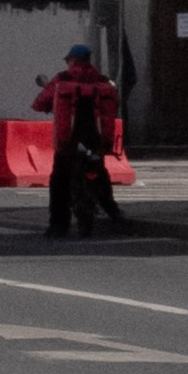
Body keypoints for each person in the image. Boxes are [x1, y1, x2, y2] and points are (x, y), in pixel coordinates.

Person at [37, 40, 129, 239]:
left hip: (68, 142)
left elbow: (40, 102)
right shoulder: (103, 81)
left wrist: (48, 105)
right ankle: (115, 214)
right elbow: (116, 102)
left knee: (59, 181)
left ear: (72, 60)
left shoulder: (61, 79)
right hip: (95, 141)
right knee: (101, 176)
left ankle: (58, 226)